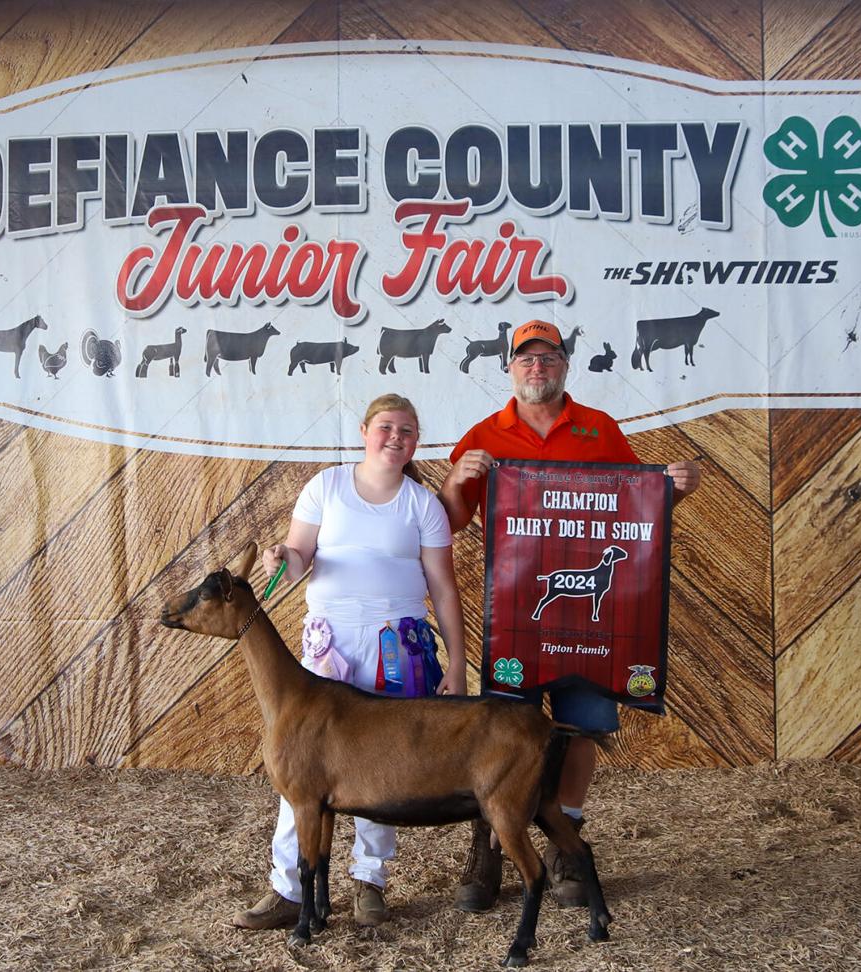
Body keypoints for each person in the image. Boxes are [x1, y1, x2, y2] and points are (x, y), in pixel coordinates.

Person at [439, 319, 700, 912]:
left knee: (583, 727)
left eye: (549, 357)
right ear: (510, 368)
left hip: (591, 632)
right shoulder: (485, 434)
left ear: (564, 365)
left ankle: (566, 842)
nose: (538, 368)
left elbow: (638, 505)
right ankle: (490, 846)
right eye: (526, 359)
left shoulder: (598, 428)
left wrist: (676, 488)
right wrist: (457, 480)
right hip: (517, 619)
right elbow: (452, 522)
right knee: (503, 732)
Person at [234, 393, 469, 932]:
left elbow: (444, 588)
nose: (396, 437)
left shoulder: (423, 504)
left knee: (383, 766)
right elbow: (297, 560)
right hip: (330, 641)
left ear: (415, 442)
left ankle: (370, 880)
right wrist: (279, 557)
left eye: (407, 431)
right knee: (301, 766)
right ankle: (288, 887)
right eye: (386, 427)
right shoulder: (327, 486)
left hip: (399, 644)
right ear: (365, 430)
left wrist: (456, 664)